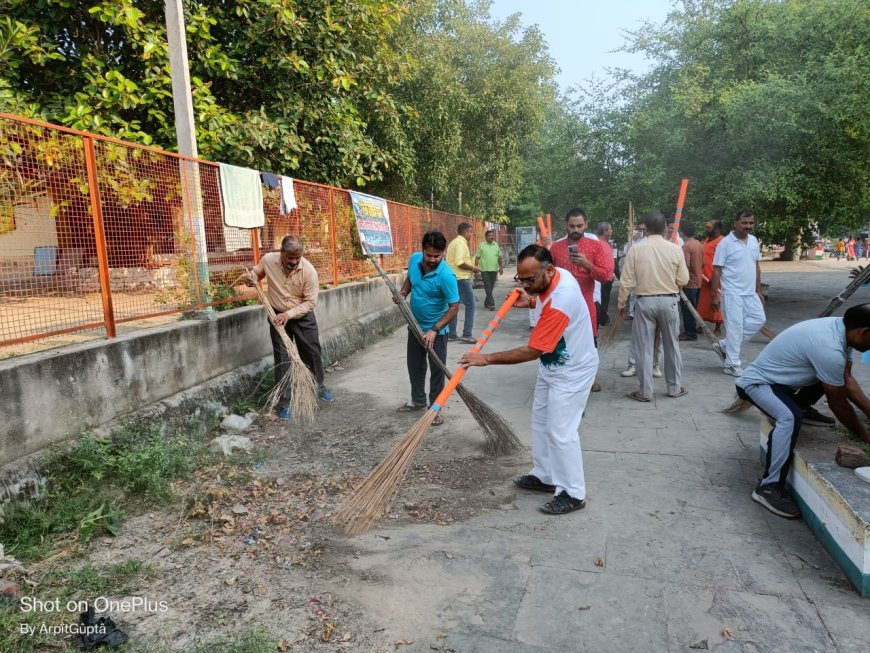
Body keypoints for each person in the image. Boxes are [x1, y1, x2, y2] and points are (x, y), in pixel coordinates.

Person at [459, 245, 597, 515]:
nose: (524, 285)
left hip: (573, 371)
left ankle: (572, 492)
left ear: (548, 270)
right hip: (554, 366)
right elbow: (543, 300)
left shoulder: (562, 297)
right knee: (541, 420)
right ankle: (545, 475)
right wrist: (531, 299)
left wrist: (486, 359)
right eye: (520, 279)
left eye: (529, 280)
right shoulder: (551, 280)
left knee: (561, 431)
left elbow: (533, 351)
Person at [736, 303, 870, 518]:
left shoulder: (841, 330)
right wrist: (864, 436)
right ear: (863, 332)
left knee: (830, 376)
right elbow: (838, 404)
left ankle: (803, 407)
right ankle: (768, 487)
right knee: (789, 418)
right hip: (758, 384)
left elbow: (846, 380)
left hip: (784, 384)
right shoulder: (829, 347)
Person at [250, 235, 333, 420]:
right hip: (277, 317)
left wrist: (289, 314)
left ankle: (317, 387)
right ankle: (285, 403)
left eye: (298, 257)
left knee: (312, 353)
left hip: (302, 316)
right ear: (282, 253)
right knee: (282, 359)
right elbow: (257, 272)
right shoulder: (268, 260)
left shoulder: (309, 272)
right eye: (290, 258)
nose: (294, 261)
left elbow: (311, 302)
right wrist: (252, 277)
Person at [617, 213, 690, 401]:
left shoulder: (635, 250)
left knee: (644, 347)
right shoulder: (675, 249)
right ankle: (674, 388)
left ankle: (645, 391)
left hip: (645, 302)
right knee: (672, 346)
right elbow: (684, 279)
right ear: (666, 229)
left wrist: (622, 304)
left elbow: (626, 281)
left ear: (645, 229)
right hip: (669, 301)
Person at [396, 231, 460, 426]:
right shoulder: (415, 259)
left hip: (437, 333)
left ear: (443, 253)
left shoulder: (447, 276)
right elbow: (410, 278)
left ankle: (435, 409)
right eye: (429, 255)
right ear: (422, 250)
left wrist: (434, 329)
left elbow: (454, 307)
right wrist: (403, 292)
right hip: (414, 326)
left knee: (437, 371)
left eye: (437, 256)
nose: (432, 260)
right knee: (415, 366)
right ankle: (417, 400)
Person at [711, 210, 766, 376]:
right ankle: (732, 364)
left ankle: (725, 345)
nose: (748, 226)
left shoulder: (754, 241)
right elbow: (716, 270)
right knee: (735, 328)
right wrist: (715, 295)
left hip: (750, 293)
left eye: (751, 223)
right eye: (744, 223)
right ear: (735, 223)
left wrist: (758, 290)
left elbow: (756, 266)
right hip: (732, 293)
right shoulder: (725, 243)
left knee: (759, 320)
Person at [549, 208, 614, 338]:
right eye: (572, 226)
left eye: (579, 226)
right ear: (566, 225)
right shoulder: (556, 247)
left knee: (588, 347)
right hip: (562, 306)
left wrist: (587, 265)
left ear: (586, 224)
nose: (575, 230)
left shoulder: (595, 246)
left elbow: (606, 277)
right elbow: (548, 276)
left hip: (586, 304)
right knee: (563, 349)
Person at [446, 222, 477, 343]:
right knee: (471, 304)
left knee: (454, 305)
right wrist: (473, 268)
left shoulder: (455, 242)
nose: (471, 235)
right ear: (466, 232)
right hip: (461, 278)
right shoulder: (460, 244)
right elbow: (459, 262)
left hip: (454, 278)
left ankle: (452, 334)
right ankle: (467, 334)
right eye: (471, 232)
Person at [697, 219, 725, 337]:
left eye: (708, 227)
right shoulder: (706, 240)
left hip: (715, 278)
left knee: (716, 302)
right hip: (704, 278)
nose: (706, 229)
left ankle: (718, 328)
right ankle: (701, 325)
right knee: (703, 303)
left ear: (717, 229)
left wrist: (715, 278)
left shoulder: (722, 242)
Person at [679, 222, 705, 341]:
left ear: (682, 232)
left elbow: (686, 266)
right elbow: (703, 263)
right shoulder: (699, 244)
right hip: (698, 281)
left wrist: (680, 282)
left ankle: (690, 333)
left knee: (688, 309)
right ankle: (692, 330)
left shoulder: (686, 246)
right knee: (693, 307)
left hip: (689, 283)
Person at [474, 229, 503, 311]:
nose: (492, 237)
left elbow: (499, 257)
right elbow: (477, 257)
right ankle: (492, 304)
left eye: (492, 235)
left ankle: (486, 303)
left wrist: (501, 267)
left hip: (494, 270)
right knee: (488, 287)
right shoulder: (481, 245)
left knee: (490, 288)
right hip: (484, 270)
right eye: (490, 235)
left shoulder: (496, 245)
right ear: (486, 237)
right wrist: (476, 267)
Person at [596, 221, 617, 327]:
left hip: (608, 277)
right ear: (605, 231)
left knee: (606, 298)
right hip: (601, 277)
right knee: (602, 298)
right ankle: (602, 318)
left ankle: (603, 317)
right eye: (610, 229)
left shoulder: (608, 243)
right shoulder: (597, 243)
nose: (611, 231)